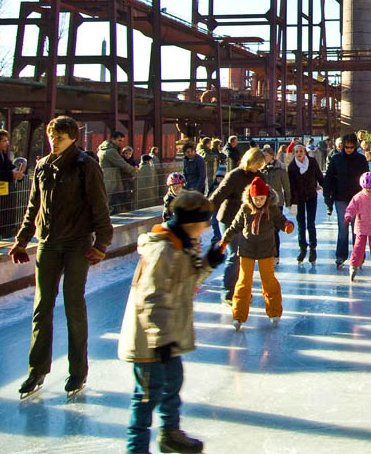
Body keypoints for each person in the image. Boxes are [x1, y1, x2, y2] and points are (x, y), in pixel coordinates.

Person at [8, 115, 114, 399]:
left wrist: (102, 243)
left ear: (72, 139)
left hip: (77, 243)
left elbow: (99, 206)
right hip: (48, 243)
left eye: (60, 137)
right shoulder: (42, 166)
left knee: (73, 306)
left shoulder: (85, 166)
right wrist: (21, 241)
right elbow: (34, 207)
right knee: (42, 308)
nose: (54, 142)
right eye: (51, 136)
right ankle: (37, 370)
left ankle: (78, 371)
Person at [120, 190, 222, 454]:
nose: (208, 226)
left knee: (172, 386)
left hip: (168, 336)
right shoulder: (163, 250)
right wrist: (159, 338)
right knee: (145, 397)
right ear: (192, 222)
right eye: (205, 221)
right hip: (151, 341)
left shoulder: (182, 245)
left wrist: (208, 264)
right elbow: (150, 298)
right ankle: (137, 449)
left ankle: (170, 434)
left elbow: (188, 284)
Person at [223, 177, 293, 331]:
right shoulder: (245, 208)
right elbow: (235, 226)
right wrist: (224, 241)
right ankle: (238, 315)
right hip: (247, 249)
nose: (259, 202)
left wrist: (287, 226)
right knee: (243, 282)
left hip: (266, 249)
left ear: (267, 197)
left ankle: (274, 312)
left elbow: (281, 221)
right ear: (251, 197)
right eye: (256, 199)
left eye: (262, 198)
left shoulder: (272, 208)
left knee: (268, 281)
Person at [209, 147, 269, 303]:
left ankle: (241, 290)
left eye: (260, 163)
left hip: (246, 221)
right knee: (234, 255)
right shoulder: (235, 175)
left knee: (245, 257)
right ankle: (228, 293)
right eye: (257, 163)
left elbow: (264, 198)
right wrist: (204, 213)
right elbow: (218, 195)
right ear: (250, 160)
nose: (259, 166)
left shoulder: (260, 177)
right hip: (229, 219)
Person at [322, 133, 367, 269]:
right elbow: (329, 177)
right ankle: (340, 256)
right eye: (346, 147)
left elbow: (366, 177)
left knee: (357, 228)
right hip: (340, 197)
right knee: (343, 228)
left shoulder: (361, 159)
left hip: (357, 198)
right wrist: (326, 194)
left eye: (351, 147)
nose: (349, 149)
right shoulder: (336, 159)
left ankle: (358, 255)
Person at [287, 142, 322, 266]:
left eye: (301, 151)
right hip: (299, 199)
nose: (299, 154)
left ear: (305, 152)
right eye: (296, 152)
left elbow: (319, 176)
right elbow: (291, 187)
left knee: (311, 223)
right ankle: (302, 249)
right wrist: (292, 203)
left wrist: (327, 189)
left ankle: (313, 248)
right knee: (301, 224)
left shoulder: (312, 162)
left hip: (311, 196)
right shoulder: (292, 167)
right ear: (294, 153)